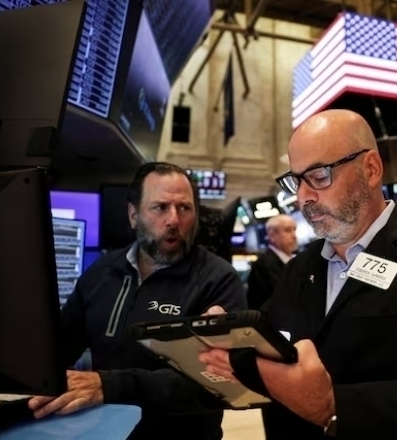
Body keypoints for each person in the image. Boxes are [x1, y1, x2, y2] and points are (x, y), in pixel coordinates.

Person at [199, 110, 397, 439]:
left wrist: (334, 406)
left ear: (371, 169)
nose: (303, 196)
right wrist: (235, 346)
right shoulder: (300, 269)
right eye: (296, 181)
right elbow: (275, 351)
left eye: (319, 176)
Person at [29, 162, 247, 440]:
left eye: (184, 208)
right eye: (160, 207)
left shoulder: (218, 280)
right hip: (105, 433)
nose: (174, 220)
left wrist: (108, 385)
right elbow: (56, 349)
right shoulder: (102, 272)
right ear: (133, 215)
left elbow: (219, 382)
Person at [246, 214, 298, 309]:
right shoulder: (263, 265)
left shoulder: (298, 260)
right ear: (272, 235)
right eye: (287, 230)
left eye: (294, 230)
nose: (294, 236)